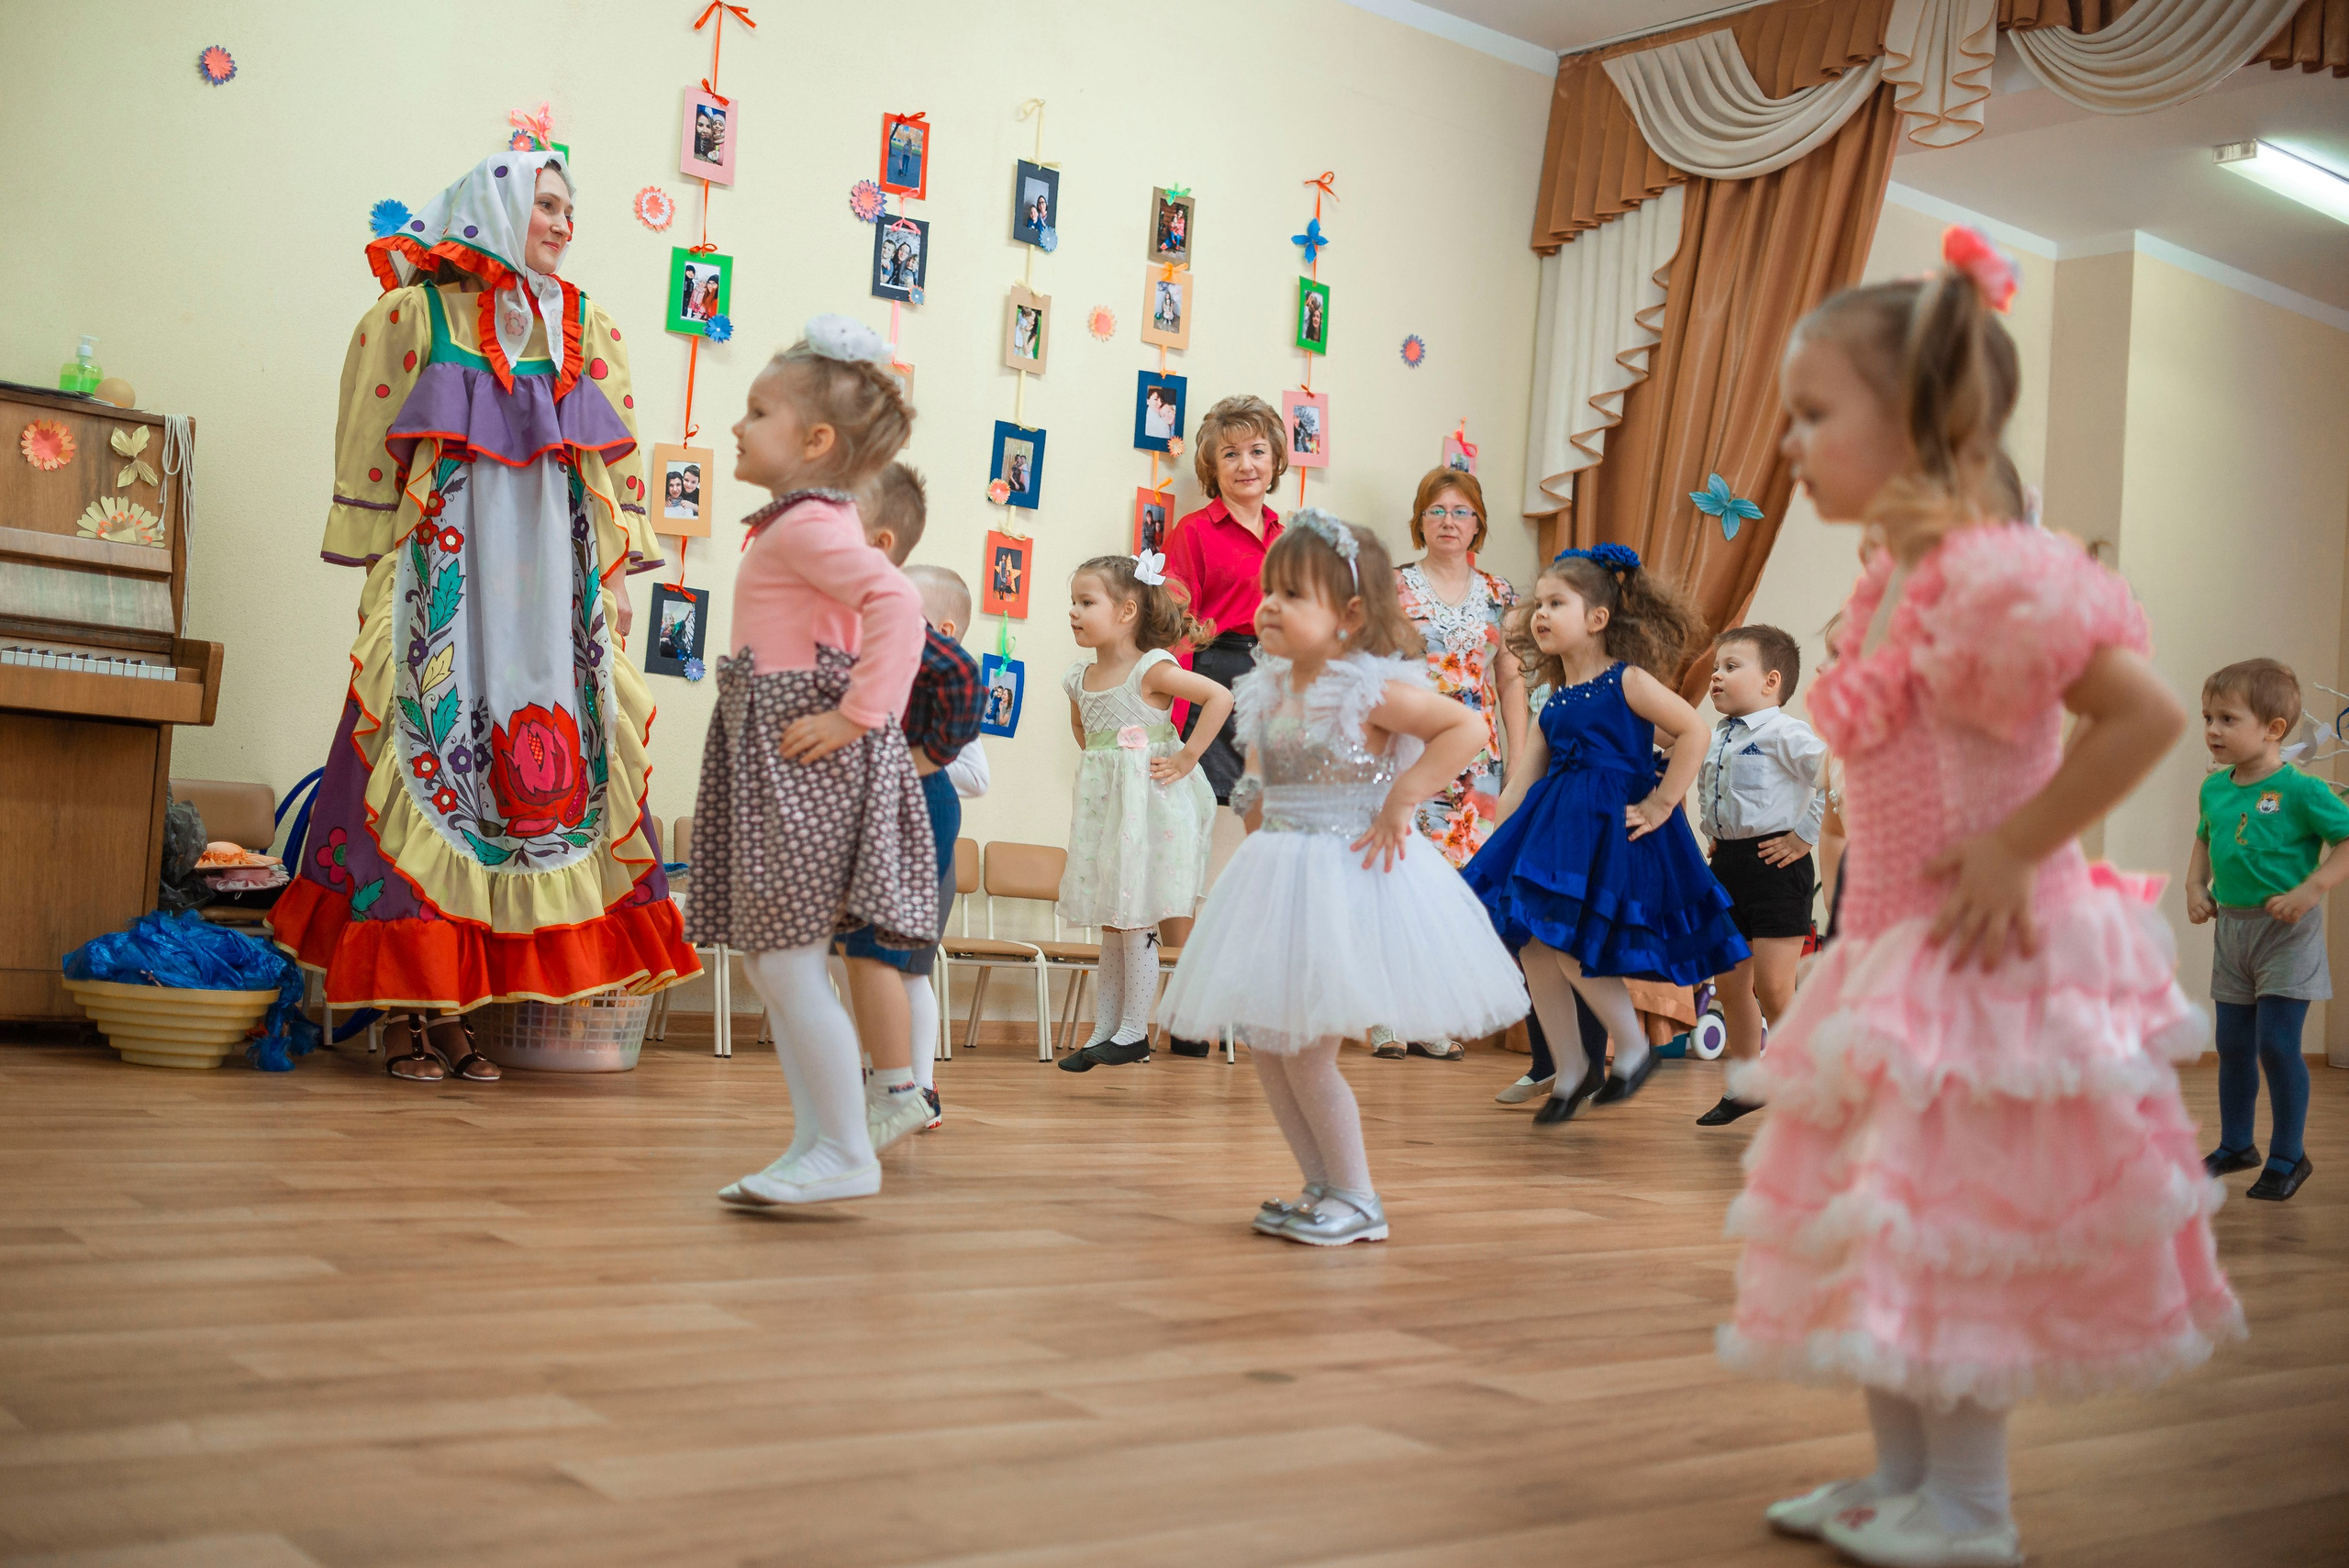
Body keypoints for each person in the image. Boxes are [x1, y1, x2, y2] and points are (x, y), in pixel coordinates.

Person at [1722, 228, 2240, 1568]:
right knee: (1882, 1222)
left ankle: (1970, 1505)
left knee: (1952, 1230)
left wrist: (2018, 845)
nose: (1789, 443)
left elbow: (2145, 714)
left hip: (1979, 961)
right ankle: (1901, 1479)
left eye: (1815, 414)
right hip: (1890, 952)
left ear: (1918, 423)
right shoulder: (1894, 579)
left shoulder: (1993, 570)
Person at [273, 150, 696, 1082]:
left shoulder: (584, 324)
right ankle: (404, 1011)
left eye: (568, 208)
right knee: (426, 763)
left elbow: (611, 470)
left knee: (523, 793)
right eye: (545, 204)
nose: (562, 224)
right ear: (492, 210)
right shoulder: (415, 316)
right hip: (445, 584)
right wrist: (379, 559)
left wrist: (619, 581)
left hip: (550, 600)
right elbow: (370, 442)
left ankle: (461, 1012)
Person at [1159, 512, 1528, 1245]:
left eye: (1293, 594)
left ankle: (1358, 1195)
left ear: (1350, 615)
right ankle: (1320, 1184)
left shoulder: (1368, 687)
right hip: (1280, 873)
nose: (1269, 606)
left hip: (1344, 877)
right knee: (1270, 1043)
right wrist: (1255, 819)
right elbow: (1260, 778)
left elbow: (1466, 728)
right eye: (1269, 591)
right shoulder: (1267, 688)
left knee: (1308, 1049)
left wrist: (1403, 798)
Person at [693, 314, 934, 1209]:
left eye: (758, 412)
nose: (737, 425)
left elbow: (898, 604)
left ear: (816, 441)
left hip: (803, 761)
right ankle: (820, 1139)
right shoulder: (800, 523)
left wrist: (857, 714)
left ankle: (843, 1147)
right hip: (781, 752)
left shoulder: (806, 526)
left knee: (787, 962)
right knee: (775, 962)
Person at [1463, 544, 1749, 1123]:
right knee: (1534, 947)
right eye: (1539, 604)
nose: (1541, 614)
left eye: (1556, 603)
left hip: (1606, 835)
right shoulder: (1554, 704)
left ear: (1597, 618)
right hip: (1556, 831)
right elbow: (1521, 783)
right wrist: (1493, 845)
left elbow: (1692, 731)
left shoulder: (1628, 681)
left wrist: (1662, 802)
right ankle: (1570, 1069)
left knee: (1567, 944)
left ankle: (1634, 1048)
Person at [830, 465, 985, 1147]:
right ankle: (883, 1084)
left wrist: (920, 760)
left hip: (917, 819)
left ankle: (913, 1088)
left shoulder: (922, 648)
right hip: (871, 821)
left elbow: (964, 697)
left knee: (899, 963)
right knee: (861, 960)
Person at [1369, 468, 1525, 1062]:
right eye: (1437, 511)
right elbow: (1372, 671)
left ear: (1478, 522)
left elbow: (1510, 679)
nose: (1449, 522)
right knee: (1397, 877)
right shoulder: (1392, 585)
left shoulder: (1500, 593)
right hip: (1411, 747)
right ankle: (1385, 1015)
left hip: (1478, 760)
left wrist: (1518, 759)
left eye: (1461, 511)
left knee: (1452, 888)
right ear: (1420, 521)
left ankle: (1428, 1014)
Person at [1053, 554, 1230, 1071]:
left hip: (1152, 814)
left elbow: (1219, 697)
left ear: (1127, 611)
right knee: (1113, 922)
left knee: (1135, 918)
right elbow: (1085, 732)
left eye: (1087, 602)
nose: (1073, 612)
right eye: (1073, 602)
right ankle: (1104, 1030)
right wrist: (1108, 770)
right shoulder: (1078, 678)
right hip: (1108, 816)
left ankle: (1134, 1030)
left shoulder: (1151, 667)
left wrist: (1187, 756)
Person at [2188, 656, 2348, 1200]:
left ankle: (2288, 1156)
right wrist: (2195, 885)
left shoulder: (2302, 791)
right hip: (2232, 933)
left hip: (2287, 935)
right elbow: (2205, 837)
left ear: (2273, 729)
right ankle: (2237, 1145)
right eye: (2208, 718)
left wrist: (2313, 889)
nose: (2212, 729)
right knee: (2233, 1044)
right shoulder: (2214, 788)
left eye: (2227, 719)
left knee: (2277, 1045)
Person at [1158, 395, 1286, 1055]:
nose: (1246, 464)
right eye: (1231, 453)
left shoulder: (1288, 536)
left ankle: (1230, 999)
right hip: (1213, 681)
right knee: (1198, 846)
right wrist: (1178, 707)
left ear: (1276, 461)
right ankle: (1187, 1010)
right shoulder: (1193, 531)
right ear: (1212, 465)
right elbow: (1173, 621)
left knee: (1252, 848)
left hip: (1274, 688)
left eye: (1257, 451)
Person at [1692, 624, 1826, 1127]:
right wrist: (1718, 833)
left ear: (1771, 682)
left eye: (1731, 667)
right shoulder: (1716, 737)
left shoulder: (1785, 733)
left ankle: (1805, 1087)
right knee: (1731, 987)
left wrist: (1804, 836)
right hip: (1727, 867)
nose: (1716, 677)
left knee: (1773, 988)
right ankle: (1747, 1084)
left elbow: (1836, 777)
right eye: (1715, 668)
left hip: (1777, 869)